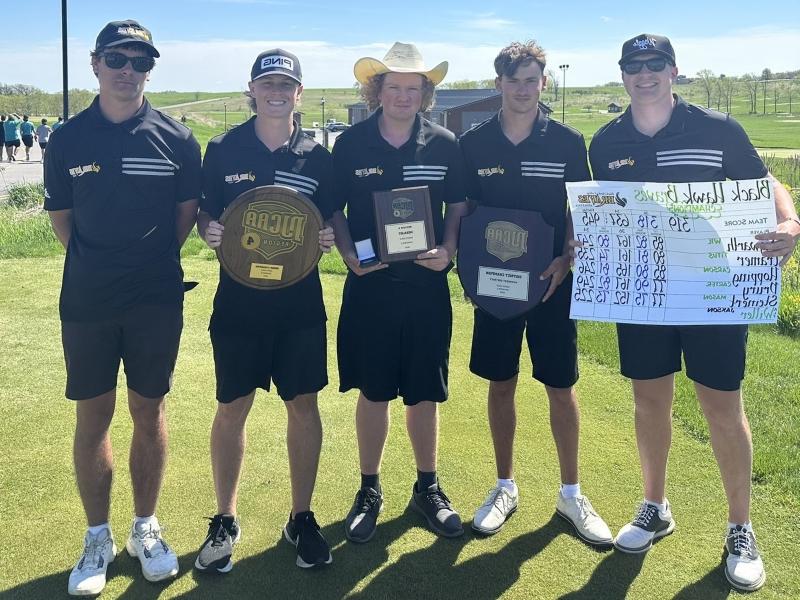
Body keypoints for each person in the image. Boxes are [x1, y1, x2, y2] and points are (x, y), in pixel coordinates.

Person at [588, 33, 800, 592]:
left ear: (674, 71)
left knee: (722, 407)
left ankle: (740, 527)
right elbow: (607, 209)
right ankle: (655, 506)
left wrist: (790, 221)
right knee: (648, 401)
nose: (645, 73)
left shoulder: (717, 129)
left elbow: (767, 183)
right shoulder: (606, 142)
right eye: (633, 65)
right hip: (643, 293)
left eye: (655, 64)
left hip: (714, 290)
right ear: (623, 74)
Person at [43, 19, 201, 596]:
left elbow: (184, 216)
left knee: (149, 411)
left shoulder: (177, 139)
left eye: (141, 61)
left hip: (155, 298)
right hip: (87, 299)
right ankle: (97, 536)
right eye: (118, 59)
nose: (129, 71)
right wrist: (101, 265)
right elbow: (64, 223)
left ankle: (144, 526)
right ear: (95, 63)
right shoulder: (66, 139)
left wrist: (143, 265)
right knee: (93, 417)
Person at [459, 41, 613, 545]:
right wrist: (465, 269)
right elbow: (464, 212)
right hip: (497, 291)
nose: (523, 89)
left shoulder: (568, 143)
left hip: (552, 286)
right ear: (498, 83)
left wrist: (567, 257)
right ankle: (504, 486)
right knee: (500, 383)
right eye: (513, 79)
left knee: (560, 386)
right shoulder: (474, 143)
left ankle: (570, 492)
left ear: (544, 83)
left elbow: (579, 211)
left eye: (532, 80)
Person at [195, 48, 336, 573]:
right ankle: (225, 519)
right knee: (232, 407)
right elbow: (207, 208)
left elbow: (331, 215)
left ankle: (300, 517)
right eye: (267, 83)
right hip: (238, 305)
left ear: (299, 93)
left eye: (286, 84)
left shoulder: (318, 157)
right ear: (251, 90)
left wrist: (326, 233)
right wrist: (208, 227)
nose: (277, 92)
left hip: (299, 307)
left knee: (303, 406)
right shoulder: (224, 149)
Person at [331, 42, 469, 542]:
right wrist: (349, 255)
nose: (404, 96)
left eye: (414, 88)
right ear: (377, 90)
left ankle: (427, 487)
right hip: (371, 288)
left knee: (423, 392)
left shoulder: (445, 144)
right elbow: (332, 210)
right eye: (394, 87)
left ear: (425, 94)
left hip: (426, 287)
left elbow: (457, 205)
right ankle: (369, 489)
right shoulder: (349, 144)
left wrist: (450, 248)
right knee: (373, 390)